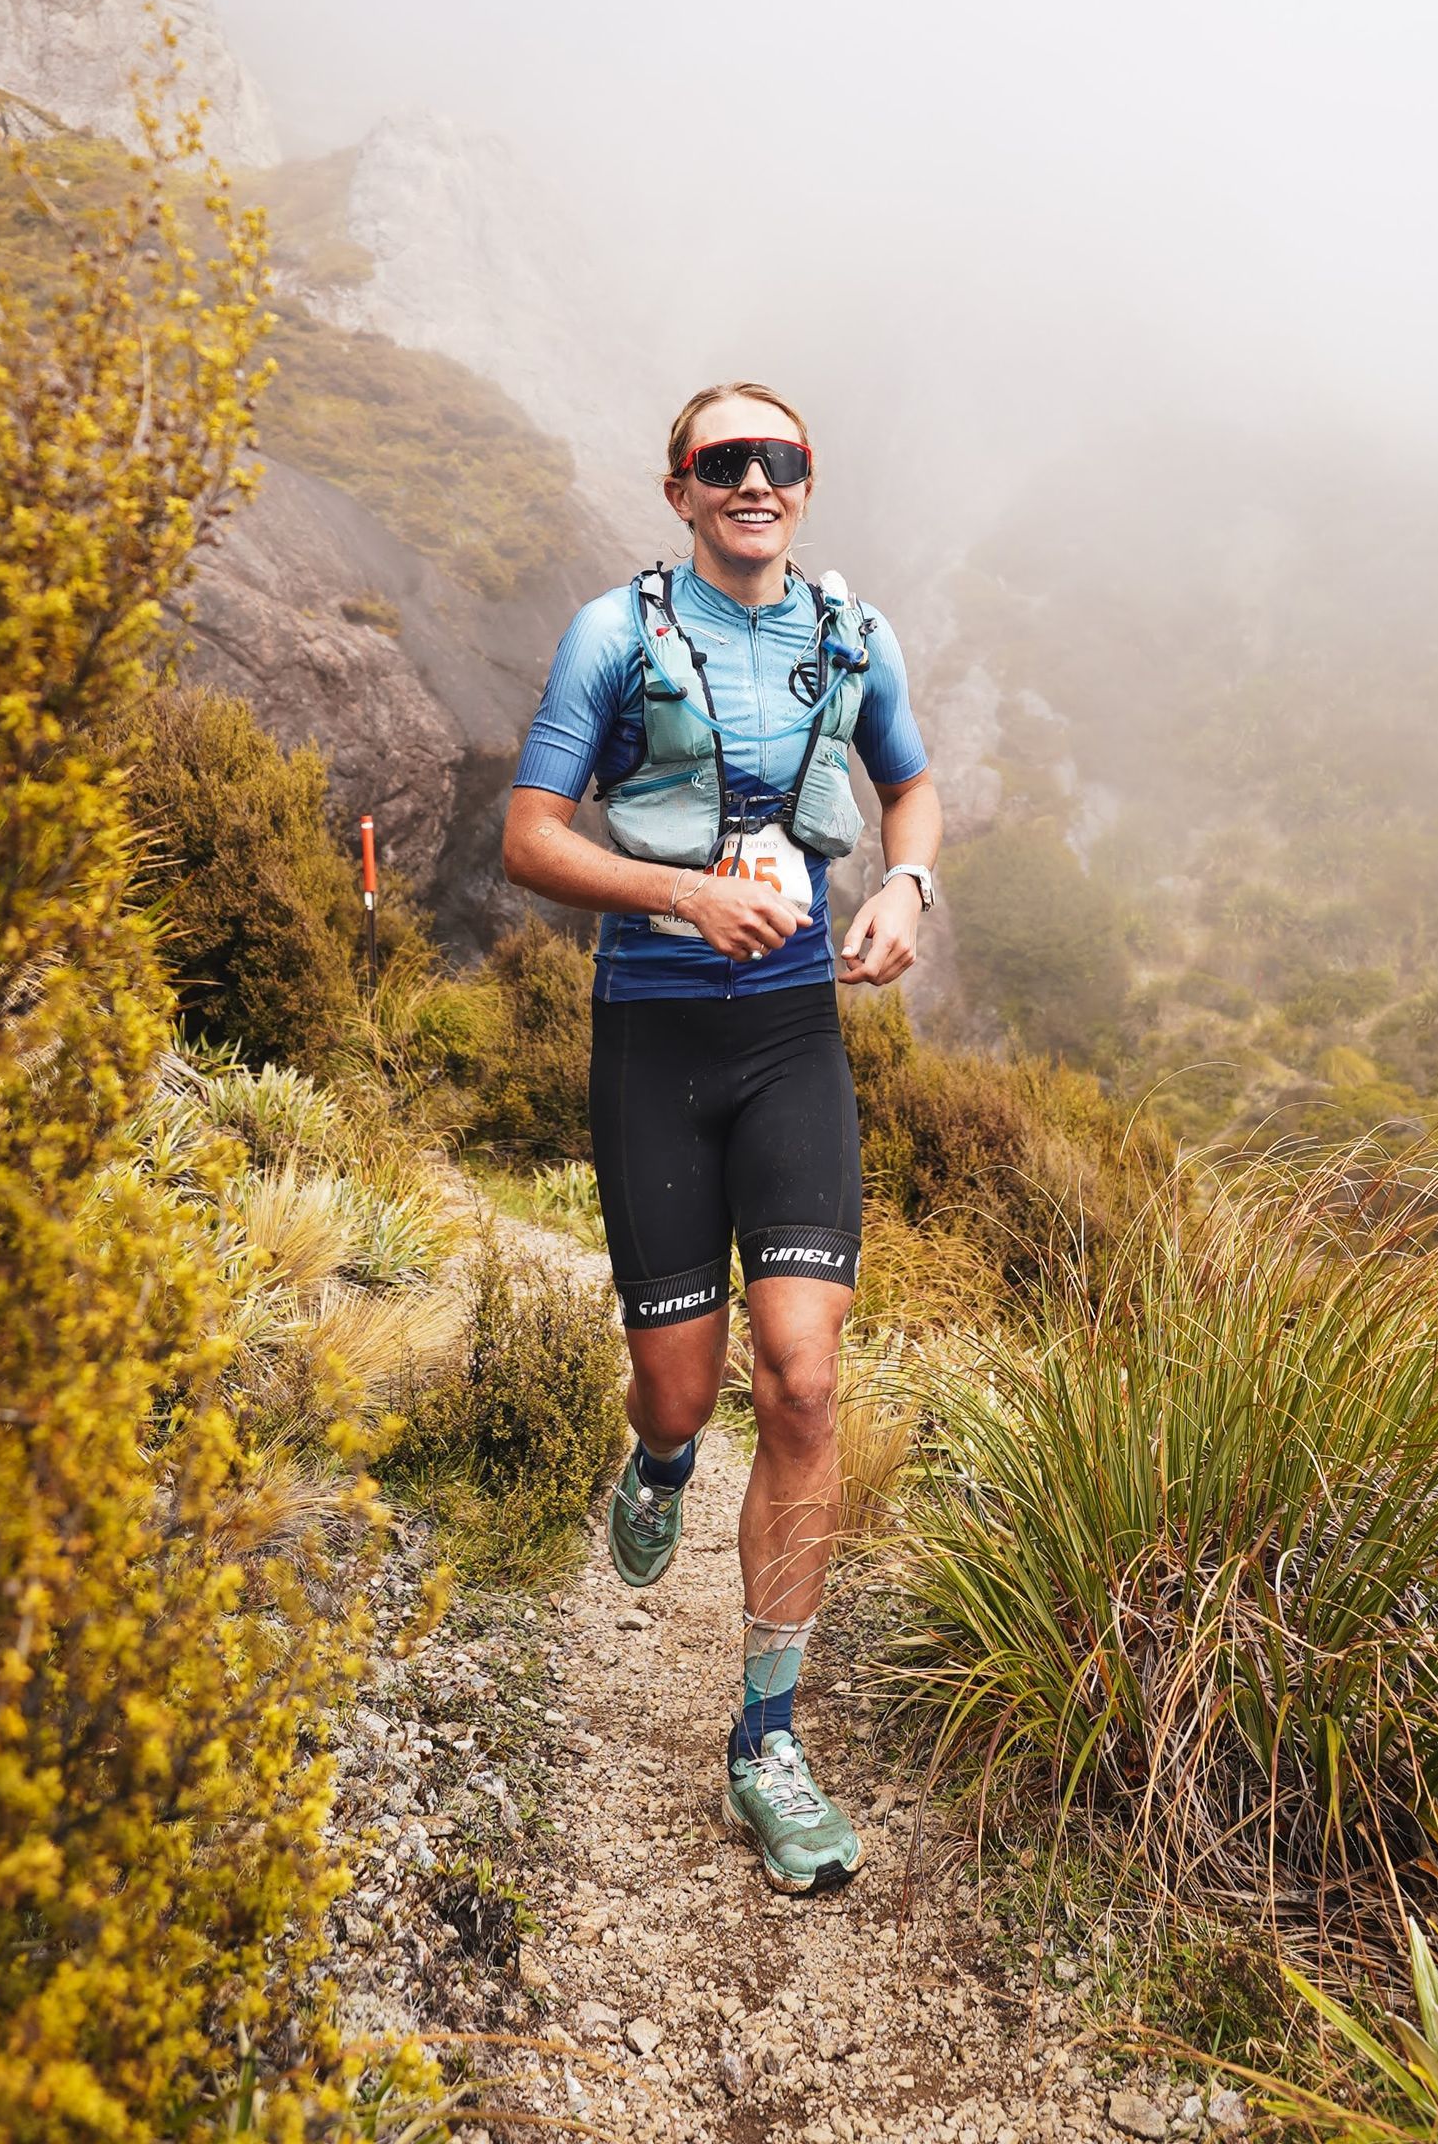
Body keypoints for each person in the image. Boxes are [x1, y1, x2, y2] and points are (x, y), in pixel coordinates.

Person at [502, 382, 942, 1894]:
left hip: (792, 1046)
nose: (756, 480)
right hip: (657, 1039)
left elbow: (914, 786)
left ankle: (767, 1738)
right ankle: (662, 1457)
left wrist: (904, 889)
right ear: (681, 488)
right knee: (684, 1394)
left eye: (783, 460)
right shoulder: (613, 634)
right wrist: (685, 895)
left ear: (808, 483)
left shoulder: (852, 632)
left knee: (805, 1381)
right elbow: (532, 832)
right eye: (725, 462)